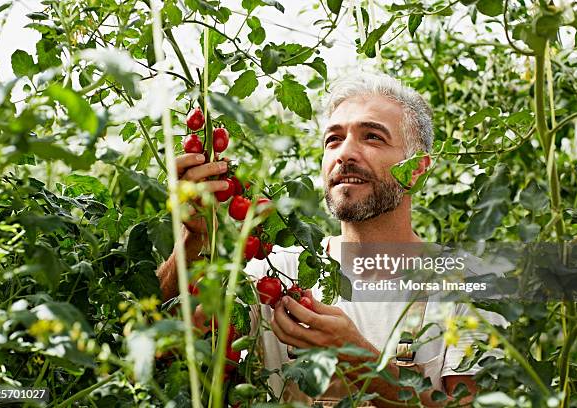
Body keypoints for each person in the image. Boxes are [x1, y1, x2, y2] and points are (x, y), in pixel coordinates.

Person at [157, 74, 500, 407]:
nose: (345, 153)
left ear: (417, 168)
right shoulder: (273, 271)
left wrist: (358, 358)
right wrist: (192, 237)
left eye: (373, 137)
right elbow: (162, 346)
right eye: (333, 140)